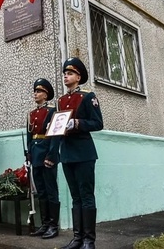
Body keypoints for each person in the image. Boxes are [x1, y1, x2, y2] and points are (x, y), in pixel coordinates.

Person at [58, 57, 104, 249]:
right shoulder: (60, 100)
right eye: (64, 74)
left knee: (86, 195)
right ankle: (77, 238)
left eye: (69, 73)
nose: (66, 77)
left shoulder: (87, 96)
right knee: (75, 196)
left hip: (84, 153)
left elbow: (98, 123)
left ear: (78, 76)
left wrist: (77, 123)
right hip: (67, 152)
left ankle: (88, 240)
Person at [27, 78, 60, 239]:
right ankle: (45, 223)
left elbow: (55, 135)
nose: (35, 94)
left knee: (51, 191)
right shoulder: (31, 114)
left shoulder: (52, 111)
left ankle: (54, 225)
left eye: (39, 91)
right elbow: (30, 136)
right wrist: (29, 155)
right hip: (36, 156)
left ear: (46, 95)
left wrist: (52, 155)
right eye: (35, 91)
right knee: (41, 192)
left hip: (47, 154)